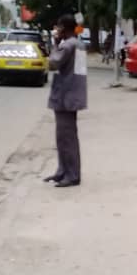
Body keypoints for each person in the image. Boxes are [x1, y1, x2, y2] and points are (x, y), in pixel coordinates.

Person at [44, 13, 88, 187]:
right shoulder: (78, 44)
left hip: (66, 96)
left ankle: (72, 174)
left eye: (59, 27)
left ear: (64, 28)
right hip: (73, 93)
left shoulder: (67, 46)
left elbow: (52, 64)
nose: (57, 29)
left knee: (66, 138)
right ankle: (63, 171)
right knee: (64, 137)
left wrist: (54, 44)